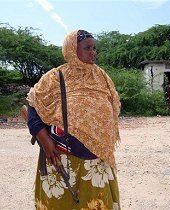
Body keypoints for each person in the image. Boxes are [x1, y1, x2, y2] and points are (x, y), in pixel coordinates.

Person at [26, 30, 121, 210]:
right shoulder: (55, 76)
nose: (93, 52)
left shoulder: (101, 76)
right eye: (87, 48)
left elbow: (113, 105)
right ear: (71, 49)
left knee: (98, 204)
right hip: (61, 157)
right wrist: (45, 141)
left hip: (97, 160)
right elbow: (32, 106)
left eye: (94, 48)